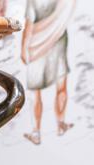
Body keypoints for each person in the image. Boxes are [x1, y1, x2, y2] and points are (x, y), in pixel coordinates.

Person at [22, 0, 76, 145]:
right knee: (60, 85)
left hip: (36, 43)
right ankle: (60, 124)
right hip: (58, 39)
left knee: (36, 90)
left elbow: (28, 24)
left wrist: (23, 48)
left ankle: (36, 133)